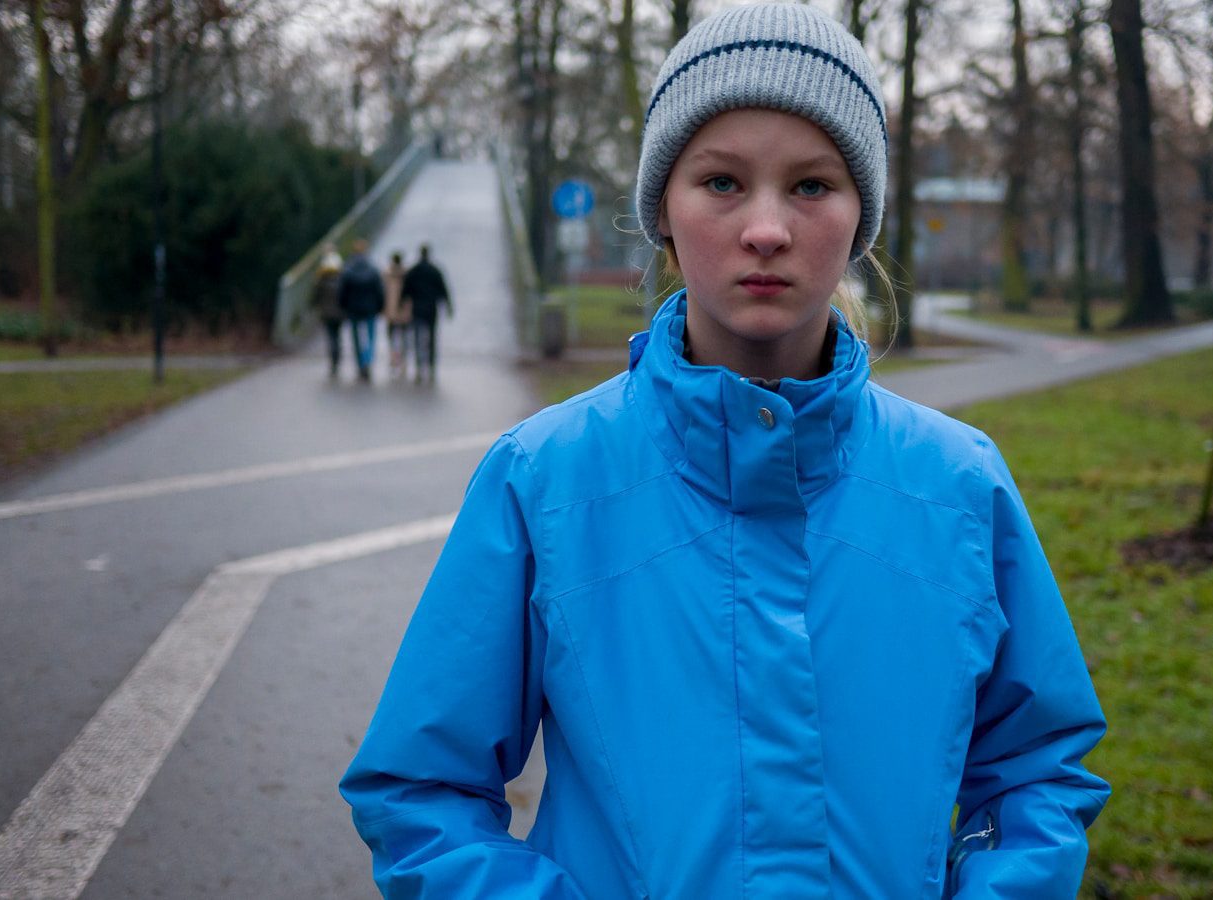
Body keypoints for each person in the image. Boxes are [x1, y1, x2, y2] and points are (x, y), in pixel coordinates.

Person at [340, 5, 1108, 898]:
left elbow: (1036, 772)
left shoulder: (959, 487)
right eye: (722, 182)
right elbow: (422, 790)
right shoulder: (543, 480)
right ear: (662, 209)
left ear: (862, 217)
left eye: (814, 186)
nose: (768, 229)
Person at [400, 244, 452, 383]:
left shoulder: (414, 271)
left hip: (417, 308)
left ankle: (419, 367)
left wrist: (401, 304)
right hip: (431, 309)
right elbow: (443, 289)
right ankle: (431, 366)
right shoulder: (435, 270)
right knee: (432, 338)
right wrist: (448, 306)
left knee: (417, 337)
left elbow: (405, 290)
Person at [338, 238, 385, 381]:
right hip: (370, 308)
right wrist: (380, 306)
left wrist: (344, 305)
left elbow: (342, 292)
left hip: (353, 308)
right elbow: (379, 291)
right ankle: (367, 360)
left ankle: (360, 363)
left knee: (356, 336)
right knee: (370, 336)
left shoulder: (348, 269)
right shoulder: (373, 269)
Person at [310, 248, 344, 378]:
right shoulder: (341, 280)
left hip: (326, 313)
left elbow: (314, 298)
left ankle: (333, 360)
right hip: (339, 314)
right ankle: (337, 357)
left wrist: (314, 307)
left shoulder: (320, 281)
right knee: (337, 337)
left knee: (331, 337)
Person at [383, 251, 410, 378]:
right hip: (404, 311)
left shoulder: (386, 275)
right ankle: (403, 362)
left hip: (391, 311)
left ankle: (394, 360)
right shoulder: (407, 275)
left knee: (392, 338)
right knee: (404, 338)